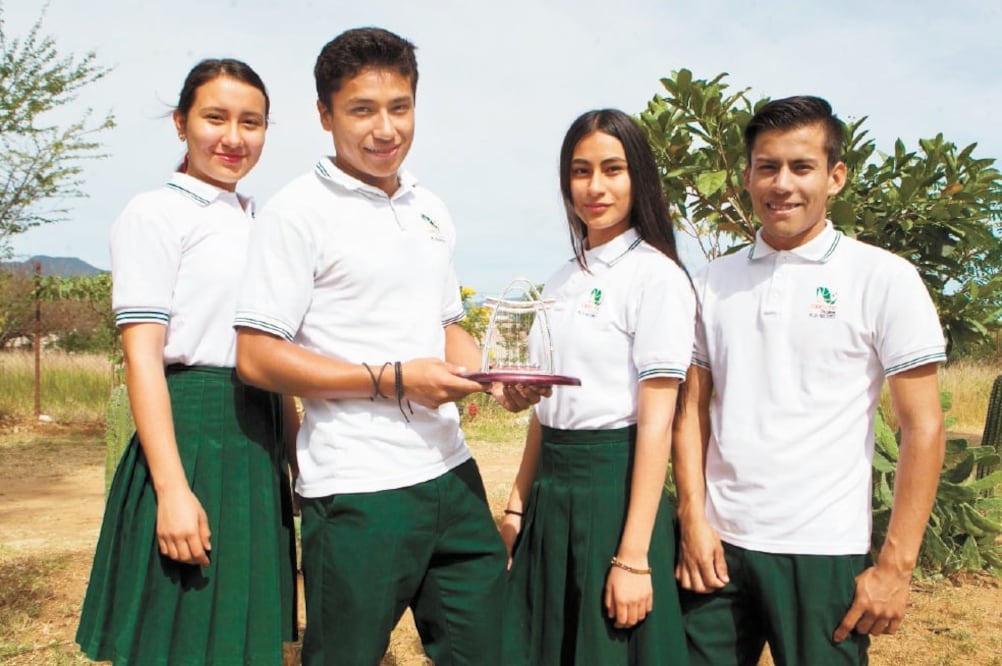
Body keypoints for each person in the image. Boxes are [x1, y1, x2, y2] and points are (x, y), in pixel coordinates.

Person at [232, 27, 542, 666]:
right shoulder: (296, 213)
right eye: (362, 110)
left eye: (399, 107)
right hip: (357, 488)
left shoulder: (430, 208)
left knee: (493, 651)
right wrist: (396, 379)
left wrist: (493, 375)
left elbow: (448, 326)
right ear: (325, 115)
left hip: (451, 475)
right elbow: (257, 356)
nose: (385, 129)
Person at [672, 95, 947, 665]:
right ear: (747, 175)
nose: (782, 185)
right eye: (767, 167)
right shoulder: (709, 283)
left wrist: (895, 566)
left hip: (825, 551)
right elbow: (691, 411)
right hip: (719, 548)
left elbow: (923, 426)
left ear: (835, 176)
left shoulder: (884, 278)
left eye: (802, 167)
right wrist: (693, 518)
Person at [76, 59, 298, 665]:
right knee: (178, 637)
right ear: (181, 123)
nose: (233, 138)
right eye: (215, 118)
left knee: (240, 638)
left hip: (256, 444)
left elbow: (270, 354)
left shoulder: (262, 221)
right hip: (189, 439)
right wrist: (172, 489)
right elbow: (142, 358)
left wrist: (295, 459)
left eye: (250, 122)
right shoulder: (157, 212)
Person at [502, 108, 695, 665]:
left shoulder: (656, 277)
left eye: (613, 169)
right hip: (552, 492)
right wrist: (517, 506)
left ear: (640, 178)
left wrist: (633, 556)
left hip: (615, 488)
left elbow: (658, 422)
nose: (595, 186)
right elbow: (547, 407)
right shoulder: (563, 277)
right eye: (581, 171)